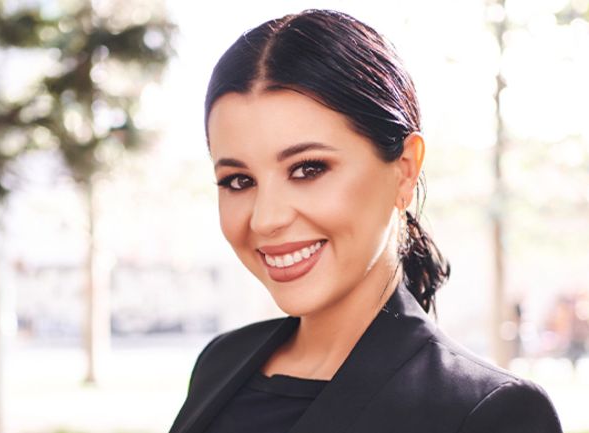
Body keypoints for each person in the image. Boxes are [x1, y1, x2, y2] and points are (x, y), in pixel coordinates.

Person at [169, 8, 562, 433]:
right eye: (239, 180)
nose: (266, 219)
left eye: (308, 169)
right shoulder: (221, 363)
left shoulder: (489, 412)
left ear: (405, 170)